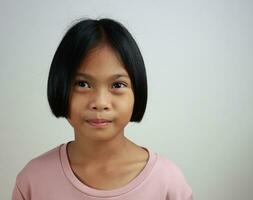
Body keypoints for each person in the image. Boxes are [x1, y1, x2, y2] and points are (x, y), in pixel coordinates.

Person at [12, 18, 193, 200]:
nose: (100, 102)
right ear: (60, 86)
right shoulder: (33, 181)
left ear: (137, 91)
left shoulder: (167, 182)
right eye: (82, 84)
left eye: (117, 85)